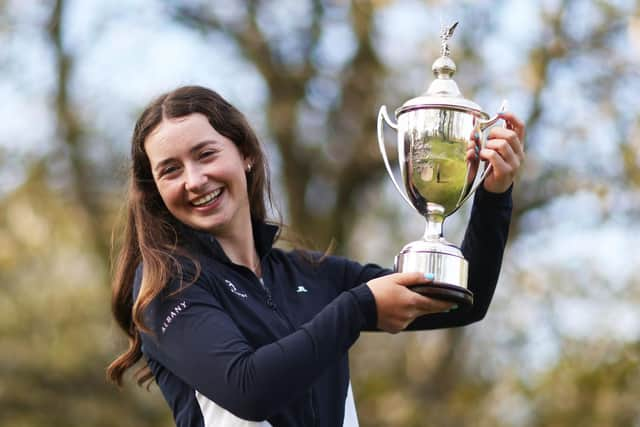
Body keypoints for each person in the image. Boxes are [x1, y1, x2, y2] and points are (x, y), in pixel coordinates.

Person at [107, 85, 525, 426]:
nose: (195, 180)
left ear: (245, 154)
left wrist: (494, 195)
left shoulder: (309, 275)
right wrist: (359, 308)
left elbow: (461, 302)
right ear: (157, 191)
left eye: (205, 154)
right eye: (171, 170)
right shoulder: (166, 287)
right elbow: (248, 390)